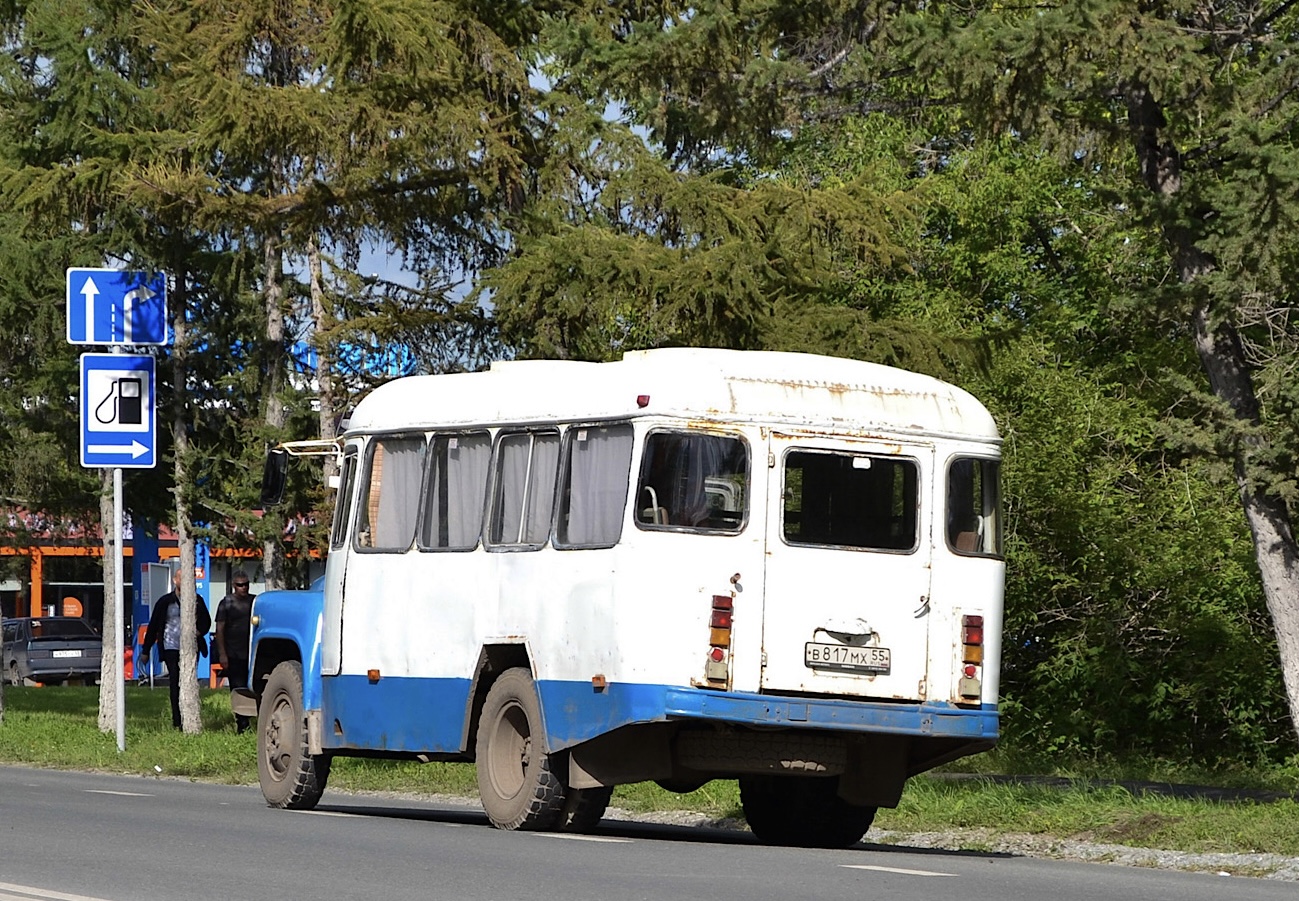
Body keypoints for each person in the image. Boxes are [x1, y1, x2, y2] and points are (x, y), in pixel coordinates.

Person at [139, 569, 211, 729]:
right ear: (175, 580)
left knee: (189, 681)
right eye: (181, 578)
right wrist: (145, 651)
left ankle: (190, 716)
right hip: (170, 646)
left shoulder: (197, 600)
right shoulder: (165, 602)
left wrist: (198, 632)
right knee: (175, 681)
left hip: (191, 648)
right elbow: (153, 627)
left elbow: (207, 622)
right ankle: (177, 720)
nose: (184, 581)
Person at [215, 570, 255, 734]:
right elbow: (220, 630)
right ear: (234, 586)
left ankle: (253, 719)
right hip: (234, 654)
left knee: (253, 687)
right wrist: (223, 654)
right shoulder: (226, 603)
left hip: (252, 653)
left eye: (246, 584)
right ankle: (242, 724)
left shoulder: (254, 601)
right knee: (238, 688)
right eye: (240, 585)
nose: (243, 588)